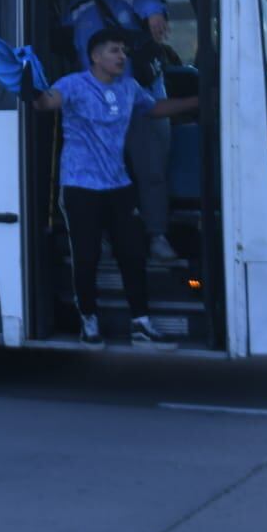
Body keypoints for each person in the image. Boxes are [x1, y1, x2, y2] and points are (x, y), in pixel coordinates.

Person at [34, 27, 197, 350]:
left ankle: (141, 324)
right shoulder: (74, 84)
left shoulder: (130, 88)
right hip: (80, 185)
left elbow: (154, 109)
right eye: (114, 51)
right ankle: (89, 322)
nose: (122, 56)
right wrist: (31, 88)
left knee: (132, 255)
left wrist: (199, 99)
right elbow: (46, 103)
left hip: (119, 185)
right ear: (95, 56)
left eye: (123, 50)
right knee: (88, 256)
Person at [64, 0, 180, 262]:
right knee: (97, 177)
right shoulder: (78, 7)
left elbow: (150, 4)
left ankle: (157, 235)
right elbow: (65, 47)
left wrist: (155, 15)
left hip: (141, 103)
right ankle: (99, 237)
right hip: (96, 108)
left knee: (151, 171)